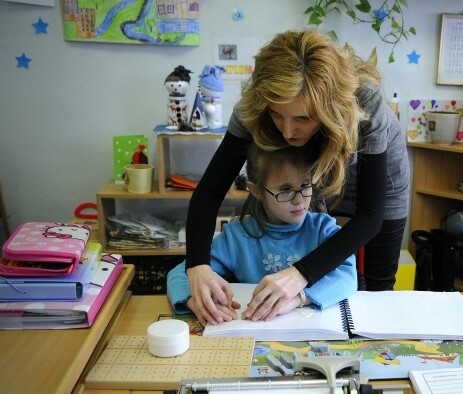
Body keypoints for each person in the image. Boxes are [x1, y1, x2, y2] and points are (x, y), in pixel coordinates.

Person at [185, 28, 409, 325]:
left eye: (302, 118)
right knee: (314, 266)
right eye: (278, 115)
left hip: (377, 177)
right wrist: (197, 265)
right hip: (312, 174)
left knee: (378, 288)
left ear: (328, 110)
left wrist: (300, 273)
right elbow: (210, 192)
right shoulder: (254, 107)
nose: (287, 132)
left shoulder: (365, 103)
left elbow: (370, 216)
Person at [168, 144, 357, 324]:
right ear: (256, 190)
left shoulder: (322, 229)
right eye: (286, 189)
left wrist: (298, 298)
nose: (300, 200)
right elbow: (180, 274)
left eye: (305, 185)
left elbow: (348, 275)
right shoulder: (237, 237)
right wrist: (195, 301)